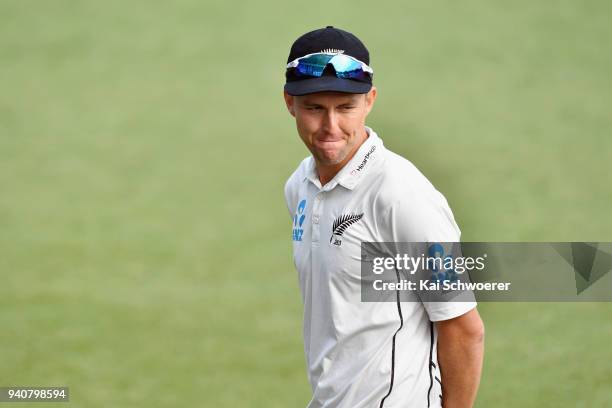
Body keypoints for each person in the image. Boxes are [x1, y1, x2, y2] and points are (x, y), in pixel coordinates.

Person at [282, 26, 485, 408]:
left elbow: (462, 326)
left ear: (369, 101)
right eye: (315, 109)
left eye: (345, 109)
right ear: (289, 103)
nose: (330, 128)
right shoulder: (300, 187)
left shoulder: (400, 194)